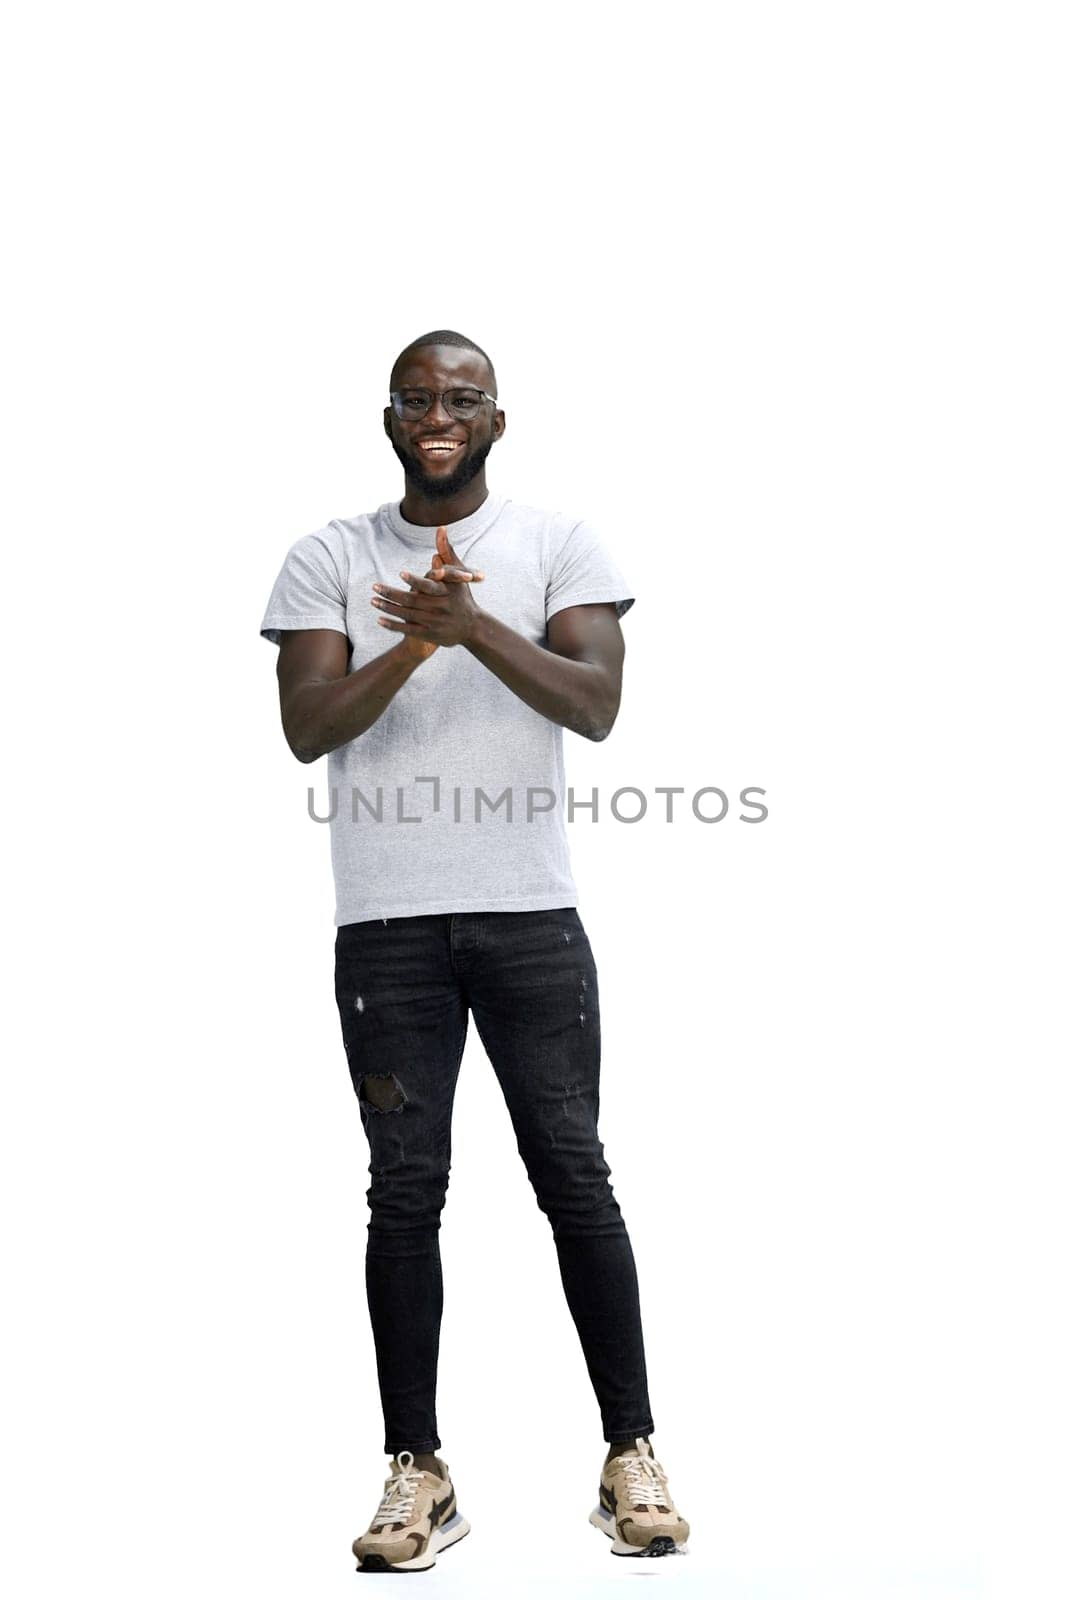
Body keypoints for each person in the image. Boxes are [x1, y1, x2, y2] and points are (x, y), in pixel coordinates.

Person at [259, 330, 689, 1572]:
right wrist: (415, 640)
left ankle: (629, 1451)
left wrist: (472, 624)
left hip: (528, 917)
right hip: (384, 931)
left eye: (461, 398)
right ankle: (416, 1470)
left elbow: (593, 704)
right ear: (387, 418)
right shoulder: (330, 556)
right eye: (416, 399)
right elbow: (305, 727)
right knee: (404, 1193)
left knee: (573, 1173)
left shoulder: (561, 543)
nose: (437, 415)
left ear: (496, 417)